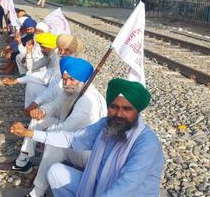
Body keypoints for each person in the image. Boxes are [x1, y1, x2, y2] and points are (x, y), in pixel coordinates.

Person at [11, 78, 164, 197]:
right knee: (55, 172)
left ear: (137, 111)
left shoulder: (146, 143)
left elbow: (127, 185)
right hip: (99, 186)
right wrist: (29, 133)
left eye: (127, 109)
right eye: (114, 107)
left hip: (129, 194)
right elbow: (71, 139)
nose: (119, 114)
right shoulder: (105, 125)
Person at [16, 57, 107, 197]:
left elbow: (63, 132)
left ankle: (37, 193)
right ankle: (23, 160)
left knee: (56, 145)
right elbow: (55, 105)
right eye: (64, 79)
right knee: (38, 121)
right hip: (74, 138)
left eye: (71, 79)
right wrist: (42, 111)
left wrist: (37, 134)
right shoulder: (74, 88)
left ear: (83, 80)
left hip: (90, 154)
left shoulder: (88, 102)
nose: (66, 83)